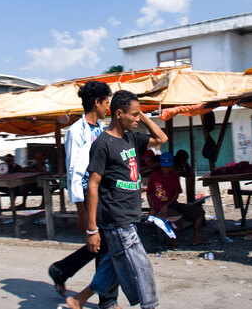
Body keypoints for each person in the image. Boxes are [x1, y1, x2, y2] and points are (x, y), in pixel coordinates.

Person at [67, 90, 168, 309]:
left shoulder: (131, 138)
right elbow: (92, 185)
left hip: (130, 216)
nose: (136, 119)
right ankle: (150, 305)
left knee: (112, 266)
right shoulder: (103, 144)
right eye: (133, 115)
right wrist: (92, 230)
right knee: (142, 268)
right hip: (116, 219)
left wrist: (143, 115)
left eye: (138, 115)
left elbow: (162, 138)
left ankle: (79, 299)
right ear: (119, 114)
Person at [47, 80, 120, 309]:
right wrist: (80, 207)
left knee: (103, 243)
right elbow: (73, 171)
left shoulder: (100, 128)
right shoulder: (76, 132)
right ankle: (107, 301)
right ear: (97, 102)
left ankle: (61, 270)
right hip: (89, 196)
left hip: (104, 194)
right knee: (106, 243)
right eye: (106, 102)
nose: (107, 107)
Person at [146, 151, 206, 246]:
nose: (166, 169)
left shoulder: (174, 176)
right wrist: (152, 208)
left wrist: (167, 205)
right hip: (159, 206)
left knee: (199, 212)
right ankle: (173, 240)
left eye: (168, 167)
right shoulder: (154, 176)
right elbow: (149, 193)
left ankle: (196, 238)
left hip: (172, 204)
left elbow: (176, 194)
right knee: (177, 218)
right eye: (164, 167)